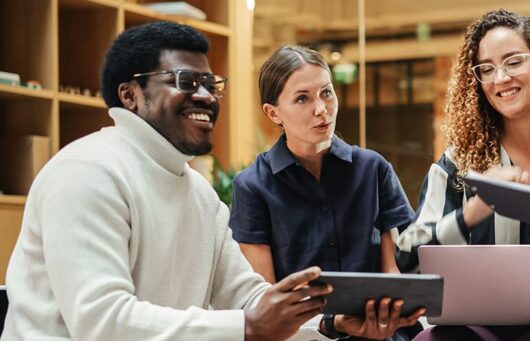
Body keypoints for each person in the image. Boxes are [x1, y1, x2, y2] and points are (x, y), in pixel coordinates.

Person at [0, 21, 420, 341]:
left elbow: (249, 298)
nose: (205, 95)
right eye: (185, 82)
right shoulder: (87, 171)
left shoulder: (198, 193)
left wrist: (329, 323)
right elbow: (103, 323)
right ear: (130, 95)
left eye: (210, 84)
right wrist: (248, 326)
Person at [394, 9, 530, 340]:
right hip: (478, 325)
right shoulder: (460, 160)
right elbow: (407, 258)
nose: (500, 78)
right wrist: (471, 213)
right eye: (487, 69)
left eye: (513, 62)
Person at [230, 44, 421, 340]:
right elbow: (265, 300)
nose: (321, 109)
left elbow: (392, 272)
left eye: (327, 92)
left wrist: (389, 314)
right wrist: (332, 323)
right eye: (302, 98)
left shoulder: (373, 169)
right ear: (273, 113)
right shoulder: (252, 185)